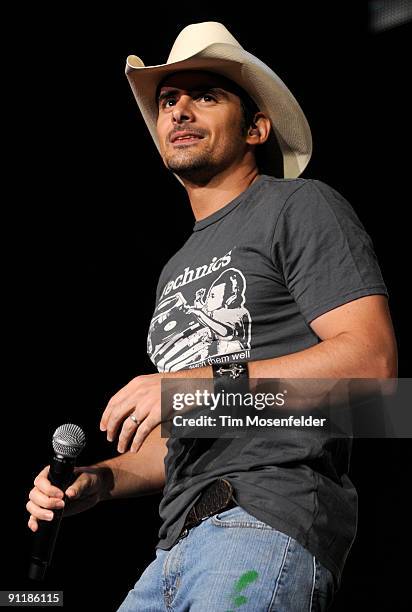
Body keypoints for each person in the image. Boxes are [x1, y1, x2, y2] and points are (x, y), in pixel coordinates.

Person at [26, 22, 398, 611]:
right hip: (172, 546)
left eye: (205, 95)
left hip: (262, 521)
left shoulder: (298, 206)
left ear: (255, 128)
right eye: (168, 100)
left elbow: (375, 374)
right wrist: (103, 482)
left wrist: (192, 383)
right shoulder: (174, 268)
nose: (177, 111)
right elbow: (182, 432)